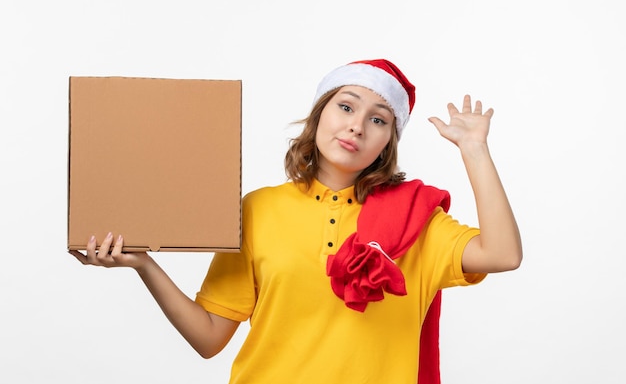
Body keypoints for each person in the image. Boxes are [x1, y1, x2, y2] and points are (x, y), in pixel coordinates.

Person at [70, 59, 522, 384]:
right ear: (320, 113)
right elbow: (209, 338)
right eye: (346, 107)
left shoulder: (417, 221)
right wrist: (146, 263)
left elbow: (502, 254)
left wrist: (475, 151)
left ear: (388, 141)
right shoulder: (258, 209)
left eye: (378, 119)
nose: (357, 126)